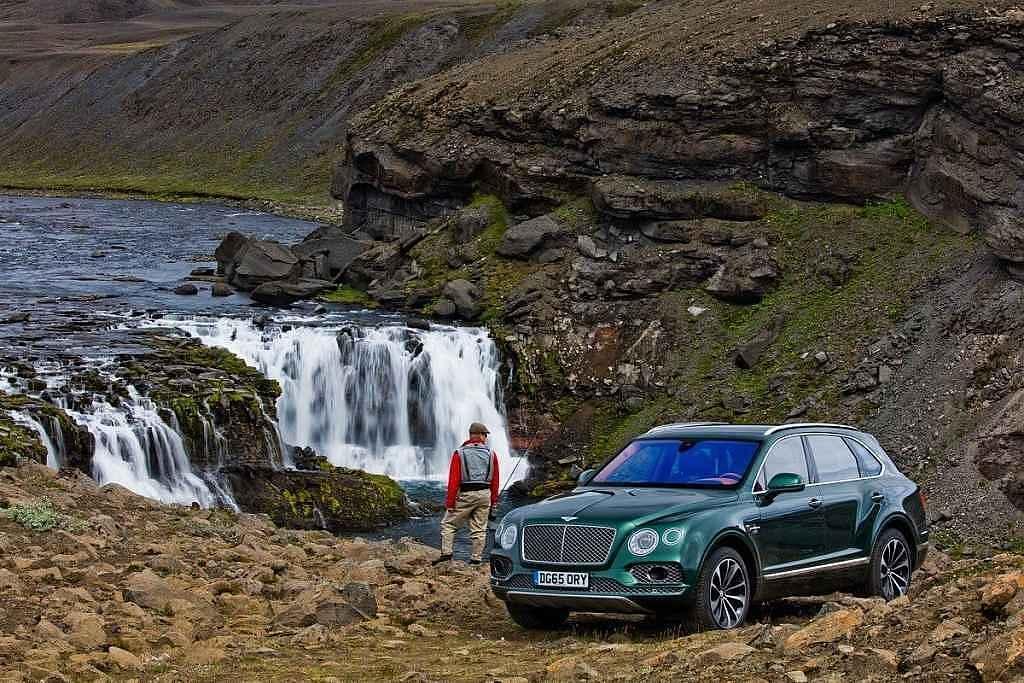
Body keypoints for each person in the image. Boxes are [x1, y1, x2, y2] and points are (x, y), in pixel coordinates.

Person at [434, 422, 500, 566]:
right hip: (485, 495)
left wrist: (450, 502)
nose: (486, 438)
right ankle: (476, 559)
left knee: (448, 524)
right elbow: (495, 480)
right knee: (479, 529)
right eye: (485, 435)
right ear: (480, 435)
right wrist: (494, 501)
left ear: (471, 435)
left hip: (466, 494)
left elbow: (454, 480)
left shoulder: (459, 453)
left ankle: (446, 554)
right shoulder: (491, 454)